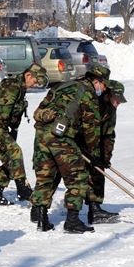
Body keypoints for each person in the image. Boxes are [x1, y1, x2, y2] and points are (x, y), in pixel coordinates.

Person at [29, 65, 108, 234]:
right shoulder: (88, 94)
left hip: (41, 133)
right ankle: (72, 221)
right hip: (60, 136)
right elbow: (91, 129)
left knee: (46, 175)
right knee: (78, 176)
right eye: (104, 85)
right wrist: (94, 156)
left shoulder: (63, 85)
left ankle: (41, 218)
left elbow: (41, 108)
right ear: (97, 81)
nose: (103, 89)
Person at [0, 63, 48, 206]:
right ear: (28, 75)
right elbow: (3, 114)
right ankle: (22, 188)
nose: (34, 85)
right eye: (34, 81)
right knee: (14, 152)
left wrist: (13, 132)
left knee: (11, 160)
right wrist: (8, 136)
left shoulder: (20, 88)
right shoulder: (12, 86)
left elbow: (14, 117)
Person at [85, 79, 127, 224]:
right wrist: (91, 154)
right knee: (76, 177)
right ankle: (40, 208)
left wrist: (105, 157)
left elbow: (109, 135)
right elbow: (86, 131)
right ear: (108, 94)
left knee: (98, 171)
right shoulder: (94, 104)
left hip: (95, 145)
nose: (118, 103)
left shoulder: (111, 109)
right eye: (116, 99)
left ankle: (95, 209)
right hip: (81, 143)